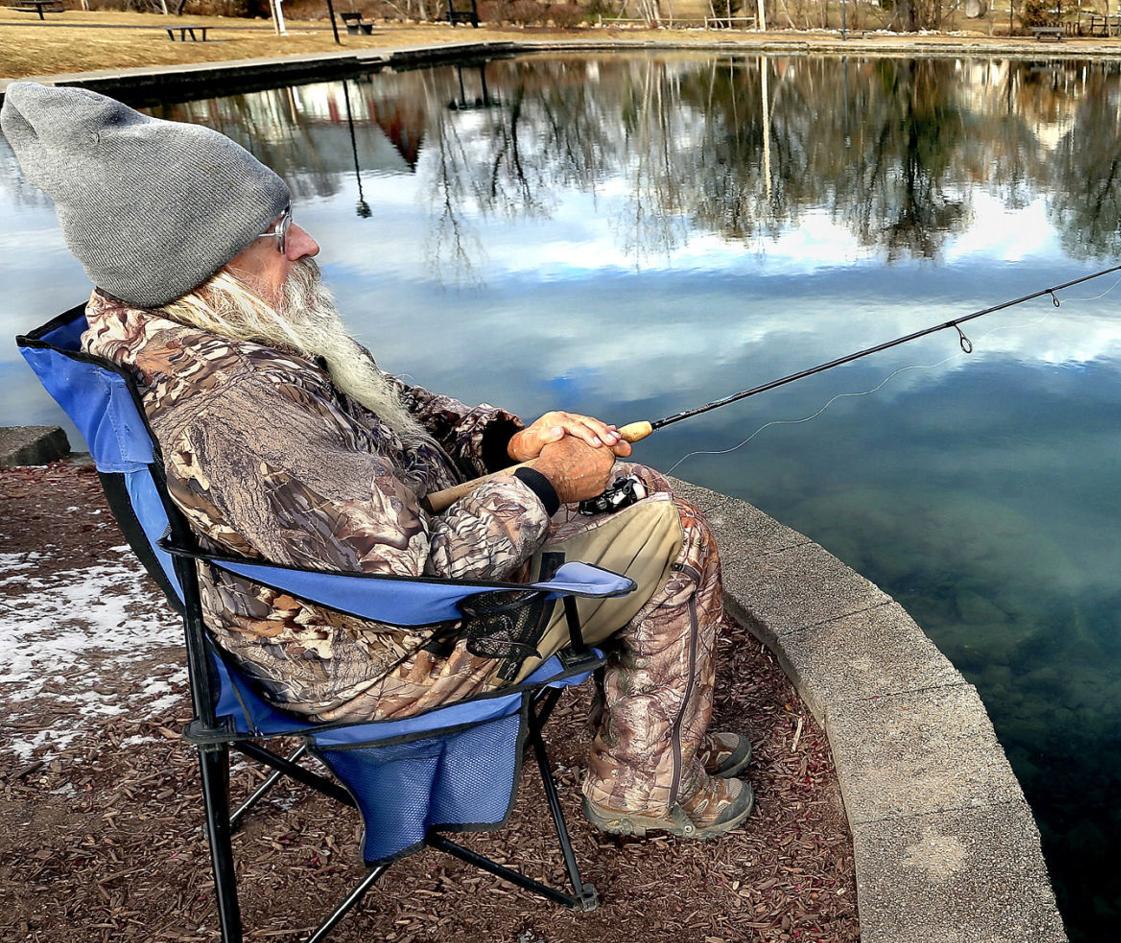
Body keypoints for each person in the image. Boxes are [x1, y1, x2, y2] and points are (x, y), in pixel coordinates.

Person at [1, 83, 753, 840]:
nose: (305, 244)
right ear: (196, 260)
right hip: (378, 657)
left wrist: (508, 443)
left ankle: (658, 737)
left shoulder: (192, 330)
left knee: (630, 493)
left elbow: (381, 405)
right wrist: (544, 481)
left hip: (333, 605)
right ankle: (645, 786)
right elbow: (411, 578)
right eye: (276, 230)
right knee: (676, 532)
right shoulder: (239, 403)